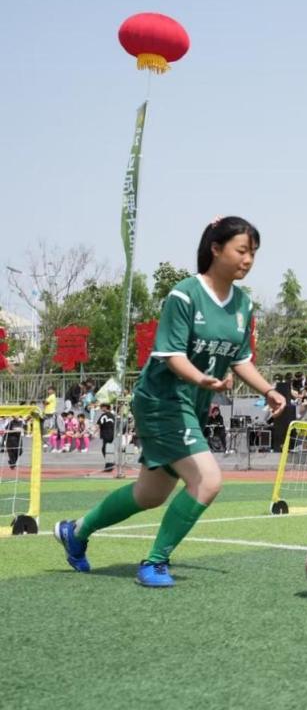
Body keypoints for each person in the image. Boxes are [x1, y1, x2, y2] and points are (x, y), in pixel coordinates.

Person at [54, 216, 286, 588]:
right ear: (215, 248)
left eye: (253, 254)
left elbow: (241, 359)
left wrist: (269, 390)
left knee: (150, 494)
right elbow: (170, 354)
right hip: (162, 400)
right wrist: (201, 378)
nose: (248, 260)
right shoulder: (184, 295)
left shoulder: (243, 304)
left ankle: (76, 531)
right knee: (208, 480)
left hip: (191, 404)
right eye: (242, 250)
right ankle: (155, 563)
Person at [96, 403, 116, 473]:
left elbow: (98, 424)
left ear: (105, 407)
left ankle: (110, 464)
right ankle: (109, 465)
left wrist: (94, 432)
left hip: (106, 434)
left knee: (104, 449)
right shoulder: (112, 415)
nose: (101, 409)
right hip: (111, 434)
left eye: (102, 407)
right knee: (106, 449)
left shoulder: (104, 415)